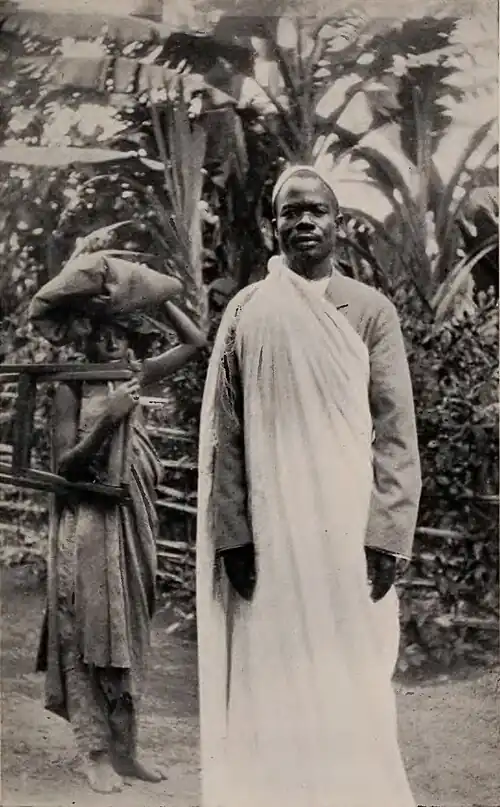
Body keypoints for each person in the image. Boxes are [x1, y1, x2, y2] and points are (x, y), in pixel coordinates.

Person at [196, 165, 422, 807]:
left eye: (315, 210)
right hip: (271, 528)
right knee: (272, 665)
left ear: (337, 223)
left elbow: (395, 431)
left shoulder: (371, 311)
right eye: (290, 212)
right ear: (273, 226)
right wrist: (233, 535)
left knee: (351, 667)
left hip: (345, 526)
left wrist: (388, 534)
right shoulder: (248, 310)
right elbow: (227, 434)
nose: (303, 222)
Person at [29, 251, 206, 794]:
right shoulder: (71, 386)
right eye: (100, 332)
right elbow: (64, 465)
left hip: (133, 522)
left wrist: (154, 292)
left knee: (127, 630)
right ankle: (96, 752)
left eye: (119, 332)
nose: (110, 342)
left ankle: (127, 750)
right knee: (88, 630)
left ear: (131, 338)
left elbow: (195, 342)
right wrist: (107, 422)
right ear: (86, 338)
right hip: (87, 522)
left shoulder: (134, 375)